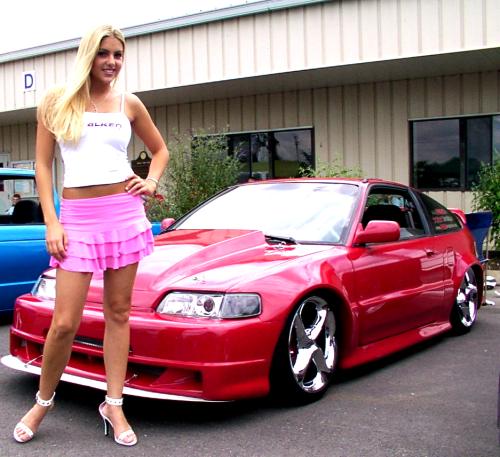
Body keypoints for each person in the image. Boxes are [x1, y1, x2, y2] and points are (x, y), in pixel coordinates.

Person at [12, 24, 169, 446]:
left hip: (124, 214)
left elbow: (160, 150)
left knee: (118, 313)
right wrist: (52, 221)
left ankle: (114, 403)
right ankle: (43, 401)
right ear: (88, 55)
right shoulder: (57, 101)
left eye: (118, 54)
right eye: (104, 53)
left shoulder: (128, 103)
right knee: (64, 322)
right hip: (77, 219)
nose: (112, 62)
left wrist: (151, 181)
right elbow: (43, 165)